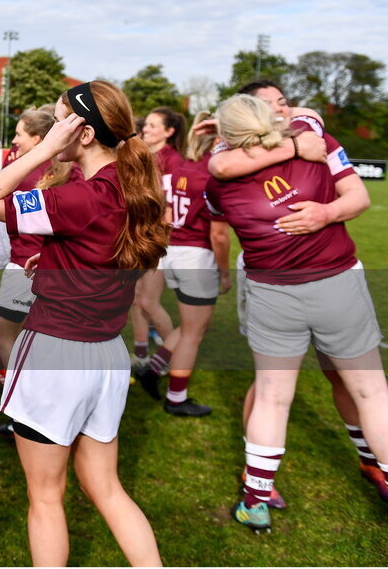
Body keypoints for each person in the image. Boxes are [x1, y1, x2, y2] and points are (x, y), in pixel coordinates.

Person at [0, 81, 165, 566]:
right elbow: (100, 254)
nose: (54, 128)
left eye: (60, 120)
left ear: (80, 132)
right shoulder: (133, 188)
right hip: (106, 354)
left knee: (46, 498)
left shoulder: (82, 196)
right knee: (108, 489)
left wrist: (45, 151)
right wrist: (58, 263)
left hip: (57, 353)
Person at [205, 94, 388, 533]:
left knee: (272, 396)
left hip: (273, 292)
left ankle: (256, 500)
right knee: (372, 392)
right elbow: (310, 131)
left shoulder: (220, 180)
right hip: (335, 283)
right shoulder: (312, 147)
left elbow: (219, 176)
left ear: (226, 135)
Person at [134, 112, 231, 416]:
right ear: (217, 141)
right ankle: (176, 398)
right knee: (193, 332)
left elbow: (165, 210)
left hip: (174, 249)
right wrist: (225, 272)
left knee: (191, 325)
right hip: (196, 254)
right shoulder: (212, 175)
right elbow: (219, 234)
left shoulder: (181, 168)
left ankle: (153, 368)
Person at [0, 106, 76, 388]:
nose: (14, 140)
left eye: (19, 134)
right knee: (41, 340)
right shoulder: (69, 171)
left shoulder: (24, 174)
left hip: (23, 266)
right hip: (57, 268)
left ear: (37, 140)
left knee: (6, 338)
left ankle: (21, 399)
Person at [130, 107, 183, 371]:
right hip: (140, 235)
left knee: (149, 301)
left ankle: (168, 355)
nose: (146, 129)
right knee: (136, 299)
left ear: (169, 131)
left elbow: (170, 207)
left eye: (152, 125)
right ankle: (141, 354)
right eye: (146, 125)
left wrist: (160, 239)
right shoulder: (146, 156)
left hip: (157, 240)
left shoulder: (172, 160)